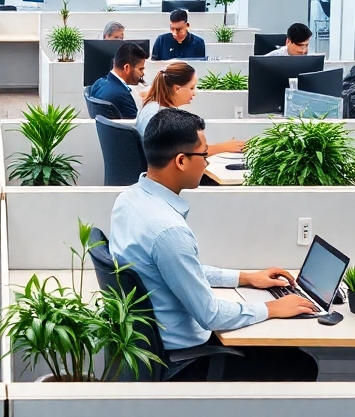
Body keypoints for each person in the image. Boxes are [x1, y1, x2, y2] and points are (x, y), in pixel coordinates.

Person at [109, 108, 319, 381]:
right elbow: (210, 314)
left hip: (156, 349)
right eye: (204, 155)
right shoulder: (168, 231)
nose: (207, 163)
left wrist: (246, 278)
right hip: (185, 362)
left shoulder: (129, 200)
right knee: (301, 366)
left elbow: (177, 269)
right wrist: (273, 308)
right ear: (182, 161)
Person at [135, 62, 245, 155]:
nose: (194, 93)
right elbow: (189, 155)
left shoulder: (151, 106)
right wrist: (224, 147)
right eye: (191, 87)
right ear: (177, 89)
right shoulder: (163, 118)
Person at [87, 42, 147, 119]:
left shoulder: (98, 83)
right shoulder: (122, 96)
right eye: (140, 69)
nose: (142, 74)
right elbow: (140, 127)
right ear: (127, 68)